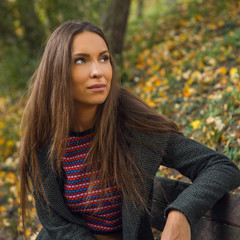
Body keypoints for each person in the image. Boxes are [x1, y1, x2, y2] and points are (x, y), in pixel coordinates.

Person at [19, 20, 240, 240]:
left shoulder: (134, 125)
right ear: (56, 71)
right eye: (80, 60)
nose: (98, 71)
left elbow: (220, 166)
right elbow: (55, 223)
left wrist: (180, 212)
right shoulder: (43, 138)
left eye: (103, 58)